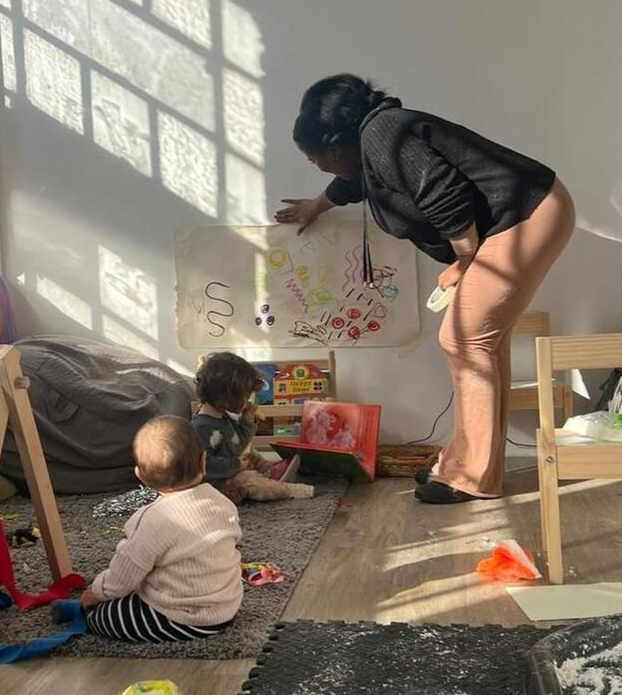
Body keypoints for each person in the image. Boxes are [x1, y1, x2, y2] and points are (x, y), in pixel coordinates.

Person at [275, 74, 575, 504]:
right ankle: (465, 465)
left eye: (315, 159)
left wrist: (465, 260)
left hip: (524, 215)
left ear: (335, 148)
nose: (319, 167)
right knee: (480, 345)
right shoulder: (372, 145)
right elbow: (351, 185)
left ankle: (473, 476)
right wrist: (316, 206)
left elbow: (442, 191)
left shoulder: (383, 134)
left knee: (464, 341)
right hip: (526, 213)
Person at [80, 416, 243, 641]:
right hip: (226, 608)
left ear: (140, 476)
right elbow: (231, 541)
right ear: (203, 462)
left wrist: (96, 592)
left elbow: (125, 574)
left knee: (105, 614)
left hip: (181, 619)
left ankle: (90, 617)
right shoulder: (222, 503)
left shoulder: (151, 519)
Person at [193, 352, 314, 502]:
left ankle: (270, 472)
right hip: (215, 487)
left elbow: (238, 445)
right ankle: (287, 490)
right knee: (247, 479)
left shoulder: (222, 416)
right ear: (226, 396)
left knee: (251, 453)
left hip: (231, 468)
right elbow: (205, 465)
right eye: (245, 396)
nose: (248, 401)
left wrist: (246, 422)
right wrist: (237, 465)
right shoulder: (202, 427)